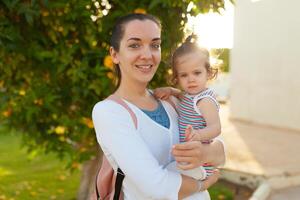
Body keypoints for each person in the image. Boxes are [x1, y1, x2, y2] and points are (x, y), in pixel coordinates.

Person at [92, 13, 225, 200]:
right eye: (134, 45)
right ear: (115, 54)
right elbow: (155, 186)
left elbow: (219, 147)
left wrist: (211, 152)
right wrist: (203, 184)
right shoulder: (108, 112)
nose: (147, 55)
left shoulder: (170, 100)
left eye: (155, 45)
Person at [154, 35, 221, 184]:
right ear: (177, 78)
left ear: (208, 73)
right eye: (184, 75)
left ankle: (204, 184)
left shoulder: (204, 101)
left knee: (163, 179)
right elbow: (181, 96)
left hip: (201, 163)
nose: (191, 79)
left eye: (197, 73)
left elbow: (216, 127)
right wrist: (171, 91)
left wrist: (199, 134)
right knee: (164, 174)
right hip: (190, 159)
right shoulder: (190, 95)